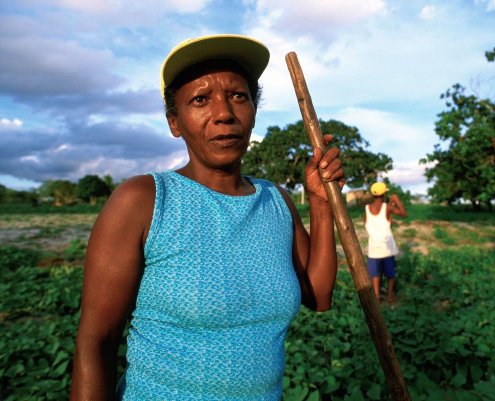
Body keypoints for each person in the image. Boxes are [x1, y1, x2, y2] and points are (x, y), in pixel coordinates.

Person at [70, 34, 345, 400]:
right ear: (175, 122)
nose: (224, 114)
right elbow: (96, 341)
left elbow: (319, 296)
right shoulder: (143, 201)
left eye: (238, 96)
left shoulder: (275, 200)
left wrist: (321, 204)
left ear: (253, 110)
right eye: (200, 100)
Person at [364, 182, 407, 306]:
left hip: (374, 249)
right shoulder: (388, 208)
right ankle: (389, 297)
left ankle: (377, 297)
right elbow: (404, 214)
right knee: (390, 275)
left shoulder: (367, 209)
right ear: (384, 194)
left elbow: (374, 225)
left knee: (375, 275)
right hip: (387, 249)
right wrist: (397, 201)